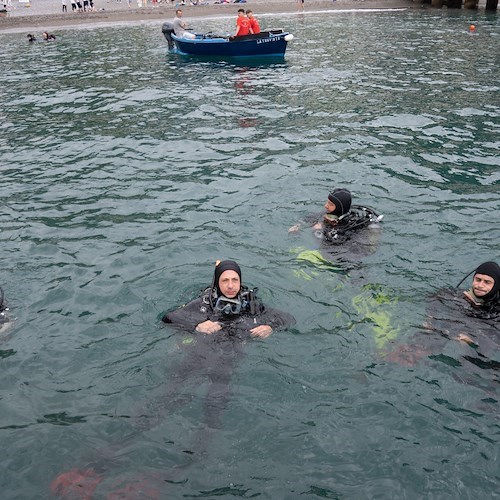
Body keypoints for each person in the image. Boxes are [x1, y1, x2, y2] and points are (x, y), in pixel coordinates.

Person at [384, 261, 500, 378]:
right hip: (452, 325)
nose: (480, 285)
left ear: (496, 285)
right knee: (428, 336)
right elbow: (435, 297)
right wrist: (430, 318)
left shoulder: (497, 308)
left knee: (477, 367)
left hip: (477, 334)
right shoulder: (459, 296)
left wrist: (474, 340)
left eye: (487, 282)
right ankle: (398, 357)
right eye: (478, 279)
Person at [163, 259, 295, 338]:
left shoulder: (250, 303)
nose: (230, 286)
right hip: (203, 344)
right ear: (217, 283)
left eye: (235, 280)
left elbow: (288, 319)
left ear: (240, 282)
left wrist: (270, 327)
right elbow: (168, 318)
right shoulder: (205, 303)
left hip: (233, 347)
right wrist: (196, 327)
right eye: (225, 280)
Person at [289, 188, 383, 246]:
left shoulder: (350, 224)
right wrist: (299, 225)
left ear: (339, 207)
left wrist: (318, 231)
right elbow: (310, 218)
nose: (325, 206)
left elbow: (338, 244)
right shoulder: (328, 213)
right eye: (327, 202)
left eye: (330, 204)